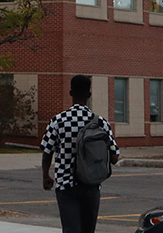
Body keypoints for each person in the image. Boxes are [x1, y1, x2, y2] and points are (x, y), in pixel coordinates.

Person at [41, 74, 120, 233]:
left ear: (70, 93)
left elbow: (47, 151)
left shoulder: (58, 120)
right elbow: (114, 157)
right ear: (89, 95)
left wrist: (46, 176)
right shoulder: (100, 122)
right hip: (91, 185)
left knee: (71, 229)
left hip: (66, 185)